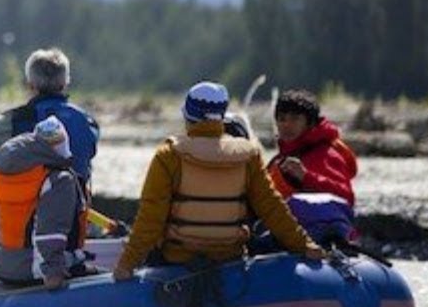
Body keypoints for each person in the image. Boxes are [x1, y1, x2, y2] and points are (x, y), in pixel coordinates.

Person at [113, 82, 325, 280]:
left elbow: (151, 219)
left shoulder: (168, 155)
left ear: (188, 115)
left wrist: (126, 265)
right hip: (230, 259)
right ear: (221, 116)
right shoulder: (248, 155)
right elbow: (272, 207)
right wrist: (304, 245)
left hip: (177, 260)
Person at [0, 48, 100, 188]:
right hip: (75, 209)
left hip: (30, 211)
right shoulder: (87, 121)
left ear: (30, 85)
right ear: (65, 83)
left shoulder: (16, 120)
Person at [0, 116, 87, 289]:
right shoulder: (57, 180)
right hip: (36, 273)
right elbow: (50, 230)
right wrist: (53, 273)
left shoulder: (0, 174)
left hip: (4, 269)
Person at [263, 89, 359, 246]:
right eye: (281, 119)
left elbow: (346, 197)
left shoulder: (327, 154)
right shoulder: (279, 159)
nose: (287, 125)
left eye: (295, 119)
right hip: (290, 231)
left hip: (317, 235)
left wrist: (305, 177)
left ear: (310, 123)